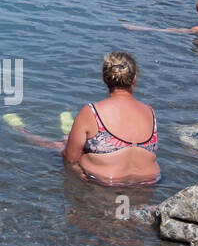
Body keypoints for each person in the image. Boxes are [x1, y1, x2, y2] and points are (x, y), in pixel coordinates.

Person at [62, 52, 160, 185]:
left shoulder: (91, 112)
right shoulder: (150, 112)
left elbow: (70, 158)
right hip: (147, 185)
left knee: (61, 147)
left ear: (104, 78)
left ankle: (25, 132)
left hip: (103, 185)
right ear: (135, 79)